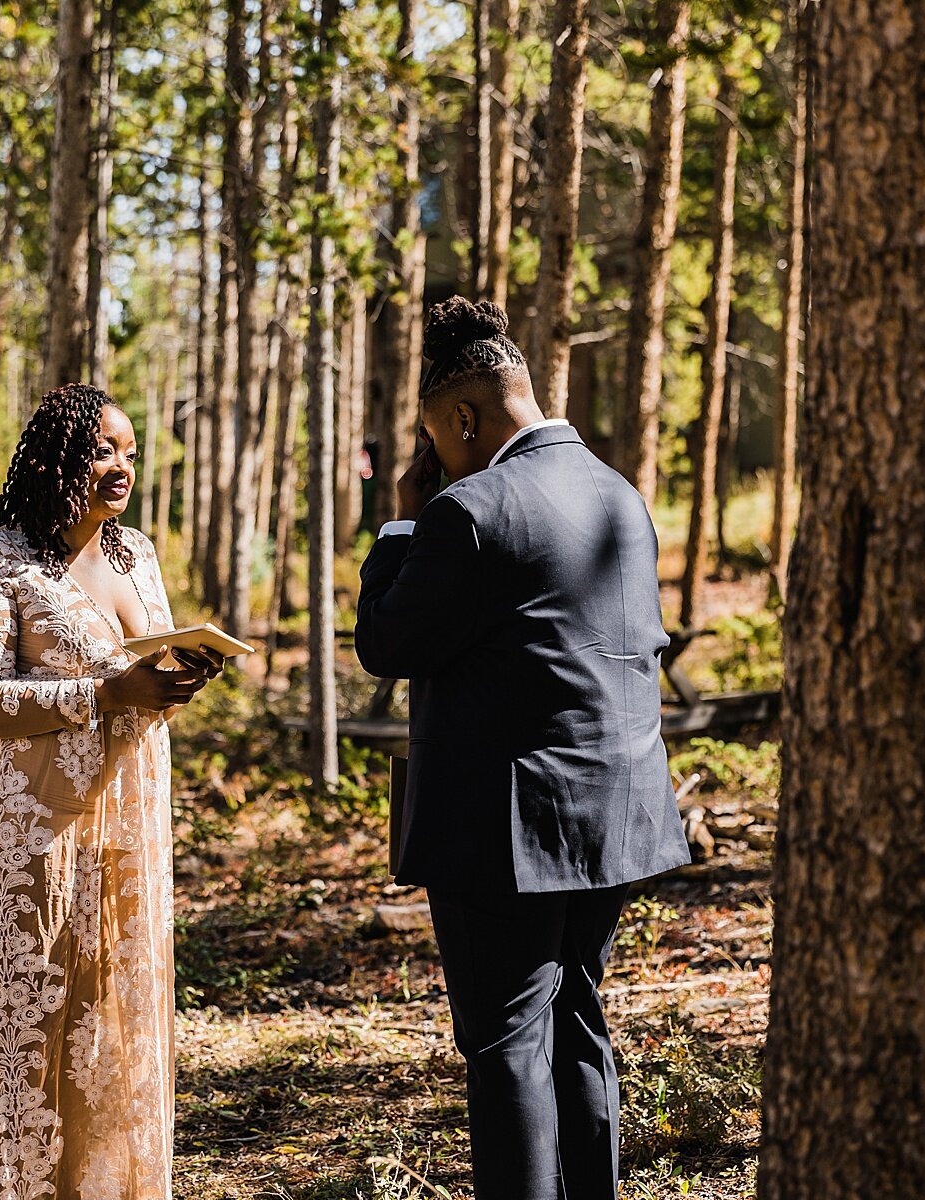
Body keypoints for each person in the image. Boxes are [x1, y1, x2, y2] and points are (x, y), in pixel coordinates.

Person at [354, 298, 690, 1200]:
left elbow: (388, 643)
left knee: (505, 1043)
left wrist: (400, 525)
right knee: (577, 1017)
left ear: (461, 419)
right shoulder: (619, 492)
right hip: (614, 815)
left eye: (437, 436)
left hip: (507, 830)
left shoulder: (466, 510)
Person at [0, 383, 221, 1200]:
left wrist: (175, 677)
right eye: (104, 451)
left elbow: (148, 658)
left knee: (109, 1027)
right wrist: (101, 696)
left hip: (128, 825)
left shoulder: (136, 553)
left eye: (130, 451)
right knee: (23, 1028)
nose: (122, 467)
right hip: (29, 834)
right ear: (59, 460)